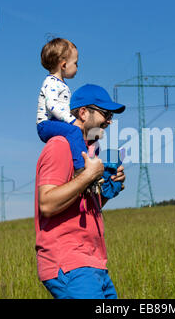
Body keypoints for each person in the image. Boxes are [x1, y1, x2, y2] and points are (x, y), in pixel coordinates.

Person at [35, 84, 126, 299]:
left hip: (94, 263)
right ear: (84, 112)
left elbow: (79, 207)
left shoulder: (86, 152)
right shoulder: (60, 145)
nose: (110, 120)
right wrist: (88, 175)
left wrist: (107, 190)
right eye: (106, 113)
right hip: (70, 263)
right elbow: (47, 204)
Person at [36, 37, 87, 173]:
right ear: (63, 65)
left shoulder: (60, 83)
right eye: (76, 63)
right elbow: (52, 105)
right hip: (46, 124)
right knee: (74, 130)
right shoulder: (51, 82)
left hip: (54, 122)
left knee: (79, 133)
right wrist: (73, 121)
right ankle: (81, 167)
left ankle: (82, 160)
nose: (77, 67)